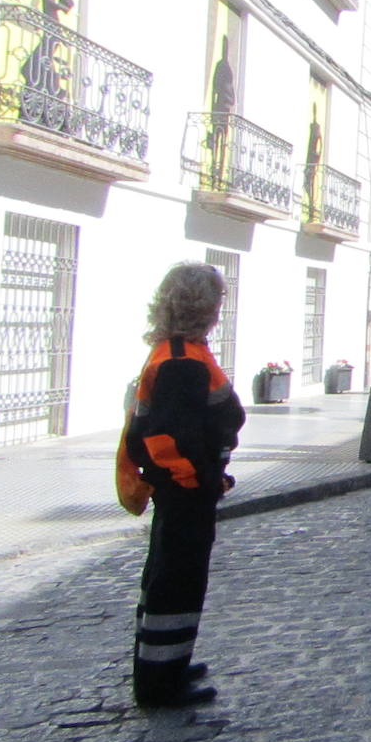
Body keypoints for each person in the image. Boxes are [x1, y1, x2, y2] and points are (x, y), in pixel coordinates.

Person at [122, 262, 245, 708]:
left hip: (184, 487)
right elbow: (170, 436)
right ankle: (161, 682)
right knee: (177, 580)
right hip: (185, 491)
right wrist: (199, 481)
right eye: (215, 301)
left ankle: (168, 663)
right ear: (201, 305)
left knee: (171, 576)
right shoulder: (180, 361)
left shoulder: (180, 351)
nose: (218, 310)